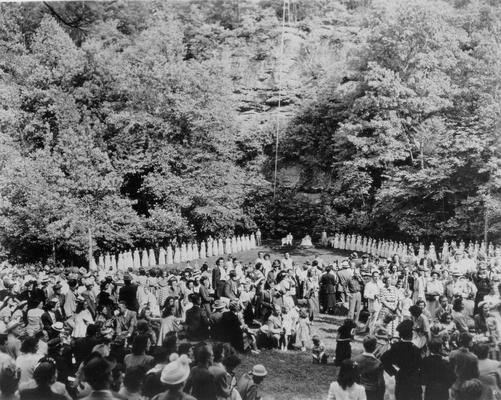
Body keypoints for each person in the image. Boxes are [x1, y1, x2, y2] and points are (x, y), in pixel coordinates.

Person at [381, 319, 422, 400]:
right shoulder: (416, 349)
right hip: (414, 380)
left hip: (401, 377)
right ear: (411, 334)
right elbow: (420, 364)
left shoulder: (395, 347)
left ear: (400, 335)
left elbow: (383, 359)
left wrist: (394, 372)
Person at [353, 336, 384, 400]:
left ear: (363, 345)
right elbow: (380, 382)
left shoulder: (355, 359)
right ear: (375, 347)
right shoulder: (378, 363)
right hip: (373, 392)